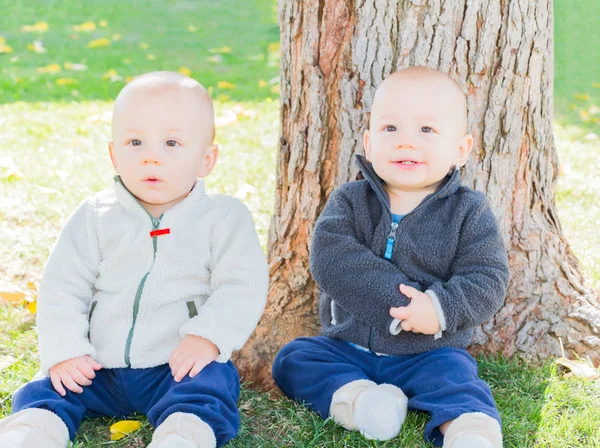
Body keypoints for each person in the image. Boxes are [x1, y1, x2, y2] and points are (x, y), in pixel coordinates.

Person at [0, 71, 269, 448]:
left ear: (206, 159)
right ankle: (32, 432)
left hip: (176, 363)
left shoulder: (223, 218)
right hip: (96, 365)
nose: (150, 157)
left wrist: (207, 336)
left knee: (211, 384)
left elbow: (243, 284)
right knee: (49, 386)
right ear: (113, 154)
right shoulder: (95, 215)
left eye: (171, 143)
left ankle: (184, 434)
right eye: (135, 142)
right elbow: (62, 286)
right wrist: (66, 350)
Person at [272, 66, 510, 448]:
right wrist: (402, 306)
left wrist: (437, 308)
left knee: (456, 378)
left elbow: (487, 277)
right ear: (368, 143)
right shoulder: (350, 200)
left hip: (427, 351)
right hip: (347, 347)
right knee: (293, 359)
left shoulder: (469, 211)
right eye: (390, 129)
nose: (406, 143)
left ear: (460, 149)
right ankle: (364, 402)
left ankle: (468, 429)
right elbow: (331, 259)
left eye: (427, 130)